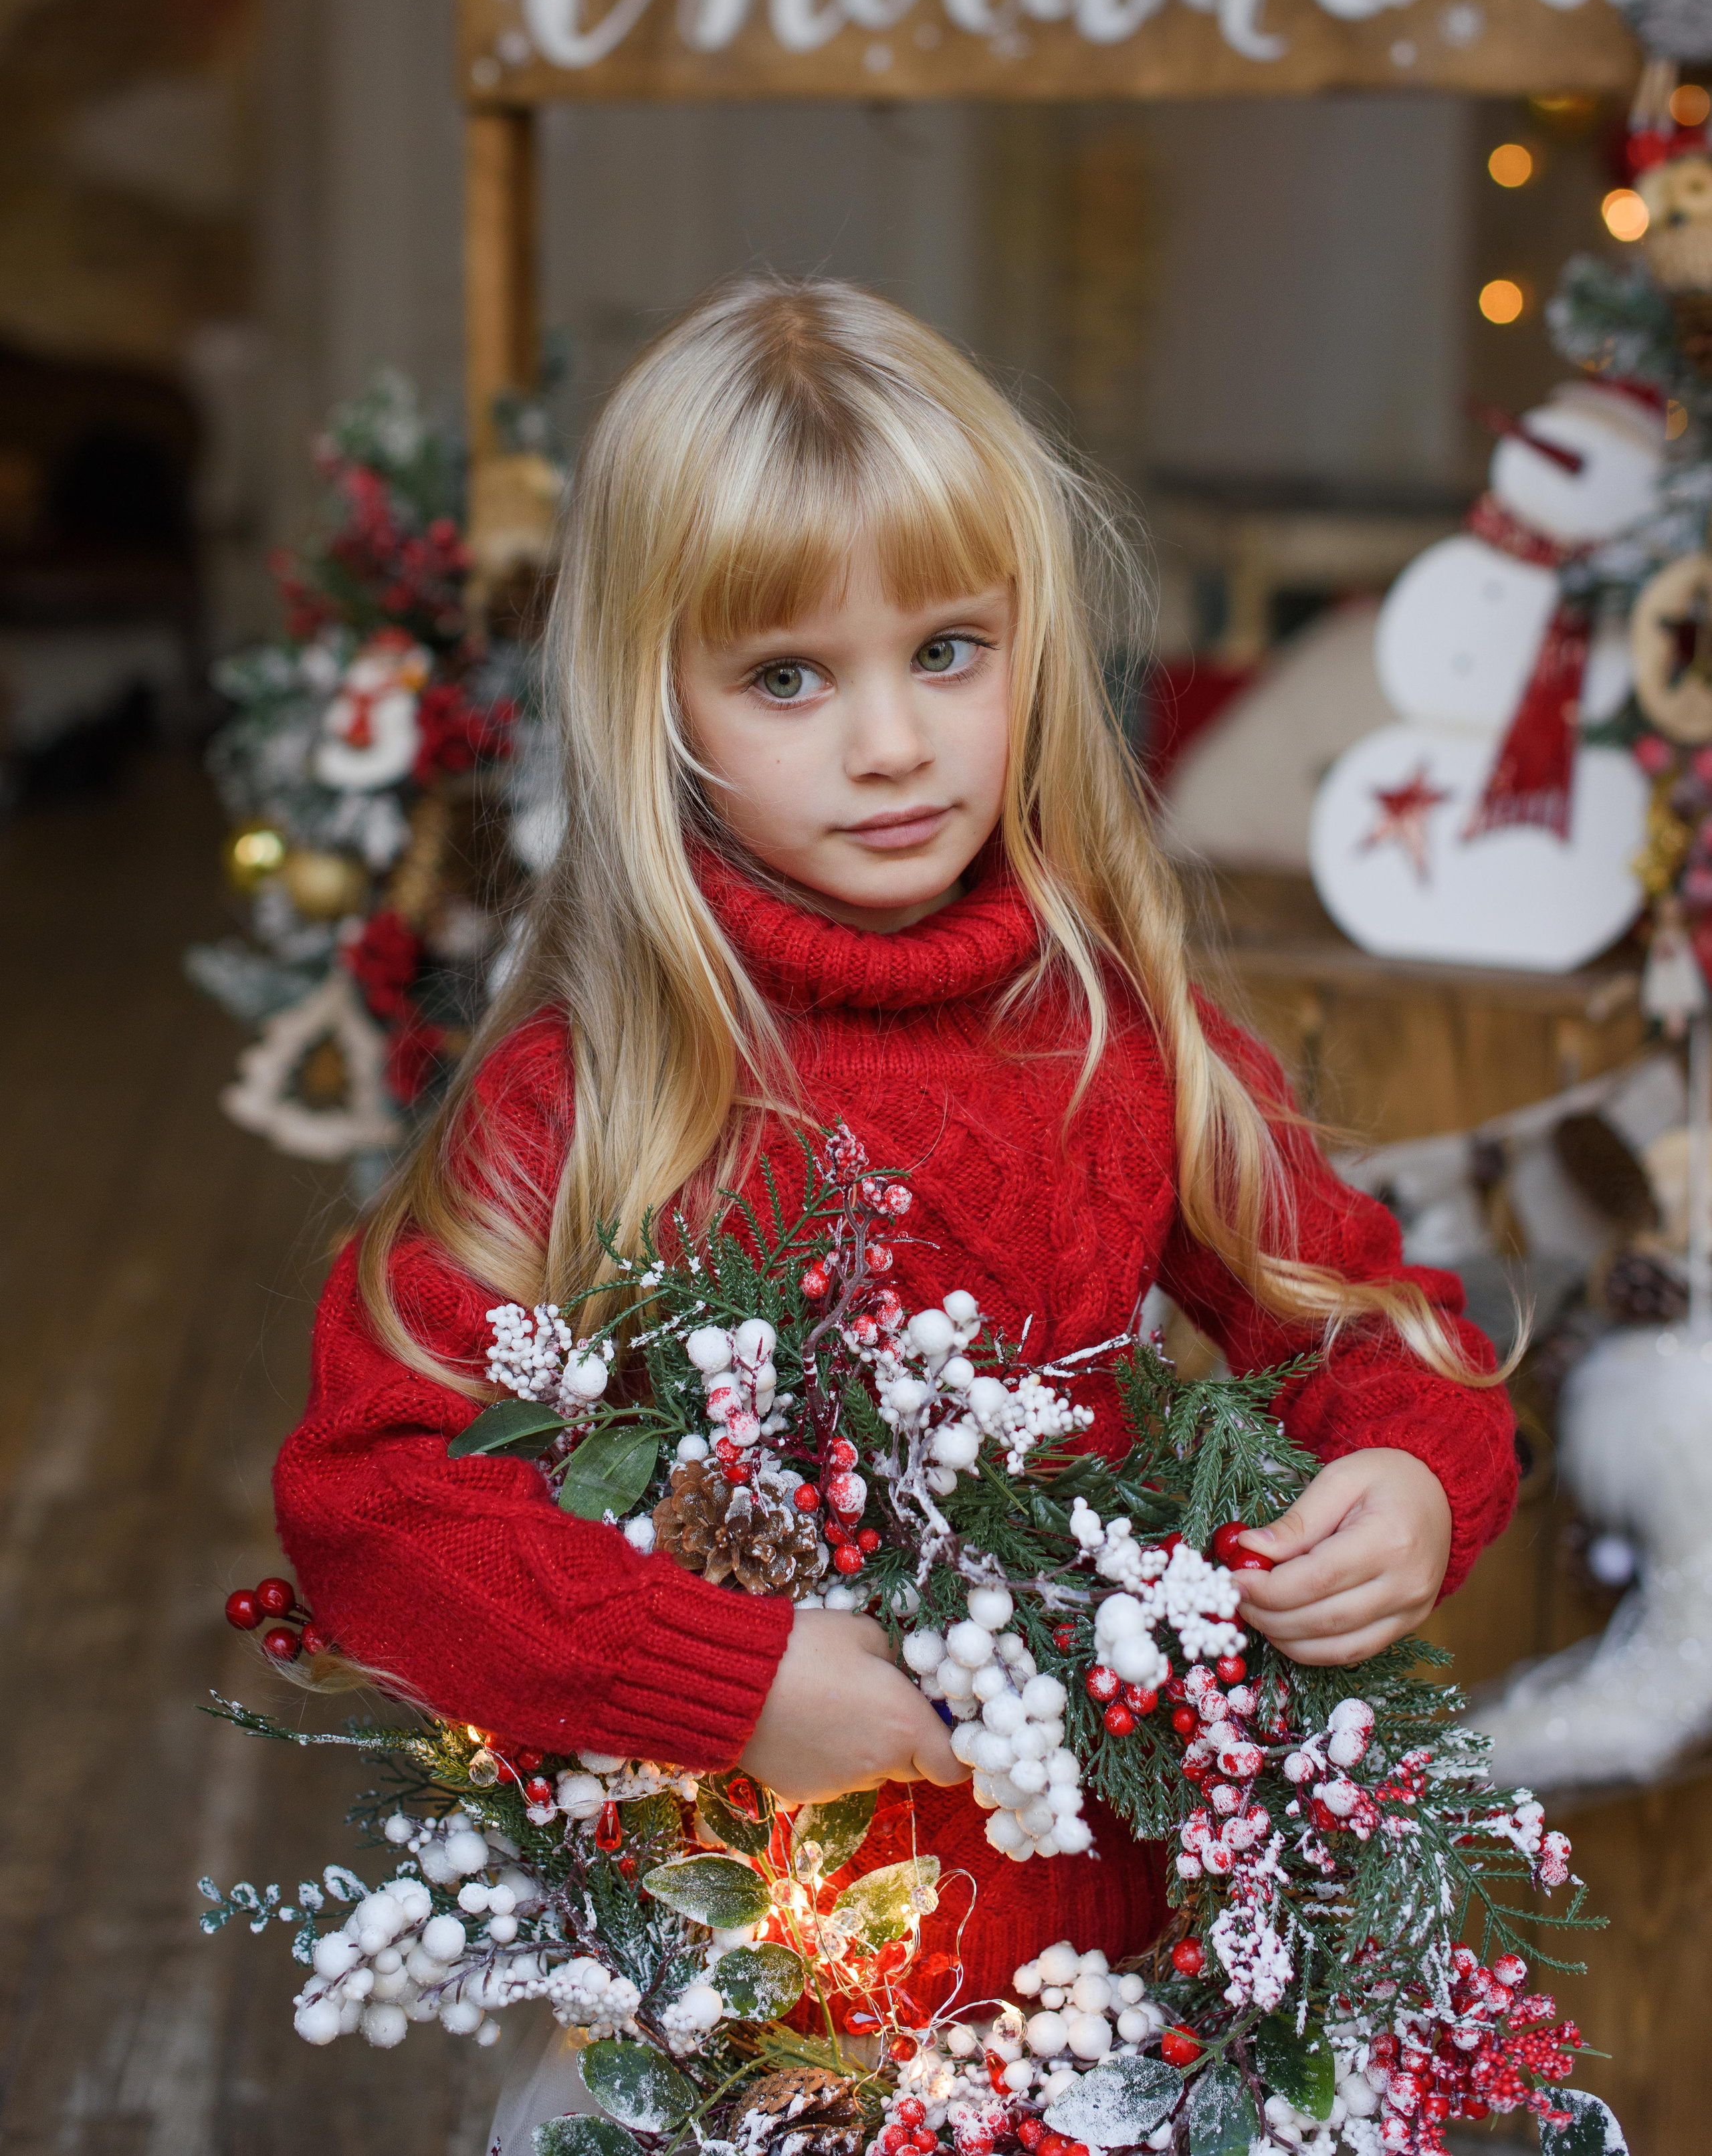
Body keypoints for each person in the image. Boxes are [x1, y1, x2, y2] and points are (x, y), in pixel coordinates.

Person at [274, 274, 1515, 2070]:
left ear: (1033, 644)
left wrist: (1412, 1475)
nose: (892, 744)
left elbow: (1372, 1320)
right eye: (787, 675)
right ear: (656, 699)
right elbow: (369, 1499)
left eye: (947, 650)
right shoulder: (599, 1087)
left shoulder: (1117, 1034)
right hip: (736, 2003)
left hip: (1116, 1977)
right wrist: (725, 1676)